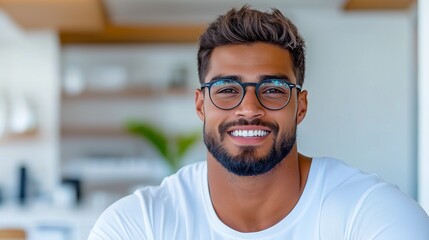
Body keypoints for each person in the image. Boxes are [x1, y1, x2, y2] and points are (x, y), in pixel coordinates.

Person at [88, 6, 429, 240]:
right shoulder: (138, 225)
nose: (249, 108)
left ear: (300, 106)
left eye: (273, 89)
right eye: (226, 89)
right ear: (200, 104)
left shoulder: (373, 216)